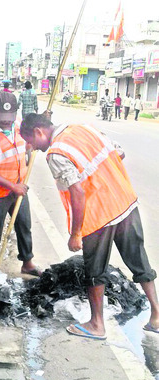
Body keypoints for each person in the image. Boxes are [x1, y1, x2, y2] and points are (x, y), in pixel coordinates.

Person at [20, 113, 159, 339]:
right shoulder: (83, 128)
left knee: (94, 271)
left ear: (39, 132)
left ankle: (97, 324)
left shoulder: (56, 153)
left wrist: (76, 233)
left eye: (30, 140)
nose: (31, 147)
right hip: (124, 203)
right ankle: (157, 316)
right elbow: (119, 152)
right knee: (139, 260)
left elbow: (77, 191)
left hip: (98, 215)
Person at [0, 92, 42, 288]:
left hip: (19, 187)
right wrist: (13, 186)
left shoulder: (19, 126)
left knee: (24, 224)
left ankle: (27, 263)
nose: (7, 123)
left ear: (15, 113)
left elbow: (32, 139)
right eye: (3, 119)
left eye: (10, 119)